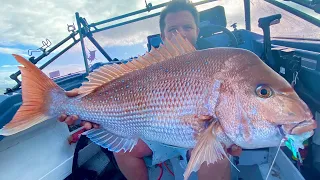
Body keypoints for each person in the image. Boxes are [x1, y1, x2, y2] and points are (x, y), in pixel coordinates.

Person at [59, 1, 242, 180]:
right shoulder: (147, 66)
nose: (181, 33)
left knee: (216, 156)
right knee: (123, 150)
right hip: (156, 134)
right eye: (172, 29)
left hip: (200, 137)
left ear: (197, 30)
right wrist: (84, 95)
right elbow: (120, 75)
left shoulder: (218, 64)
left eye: (187, 27)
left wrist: (235, 137)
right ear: (162, 36)